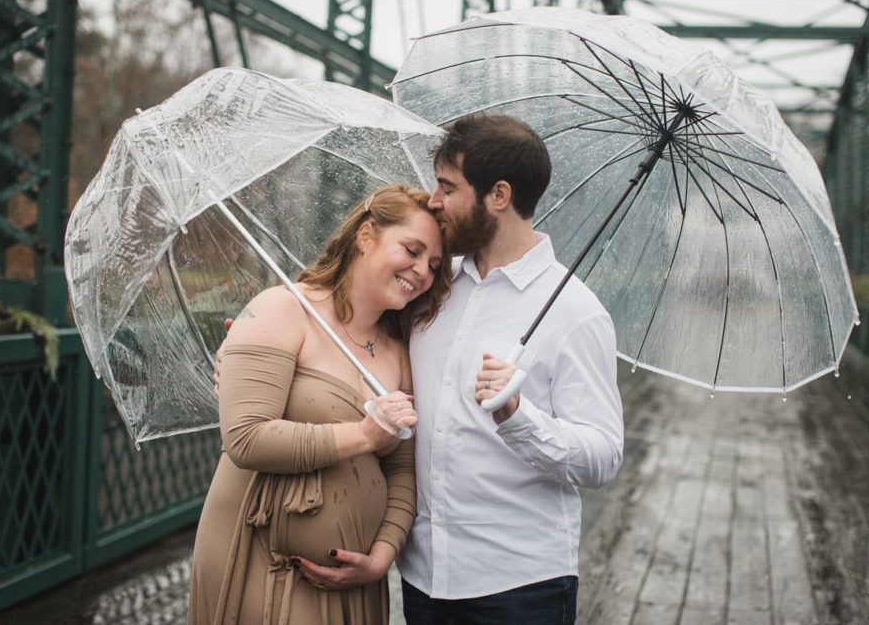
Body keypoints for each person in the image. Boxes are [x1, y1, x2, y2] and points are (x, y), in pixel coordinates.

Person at [307, 115, 624, 624]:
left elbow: (604, 458)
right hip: (422, 577)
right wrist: (264, 350)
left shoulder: (575, 312)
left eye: (447, 187)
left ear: (498, 195)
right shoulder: (433, 285)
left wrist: (521, 418)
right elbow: (356, 342)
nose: (434, 200)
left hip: (520, 586)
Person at [189, 184, 451, 625]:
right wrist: (365, 434)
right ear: (366, 236)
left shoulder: (400, 352)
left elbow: (402, 470)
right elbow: (246, 438)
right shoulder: (282, 310)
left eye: (434, 265)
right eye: (412, 249)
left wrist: (381, 555)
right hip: (260, 558)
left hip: (354, 584)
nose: (422, 271)